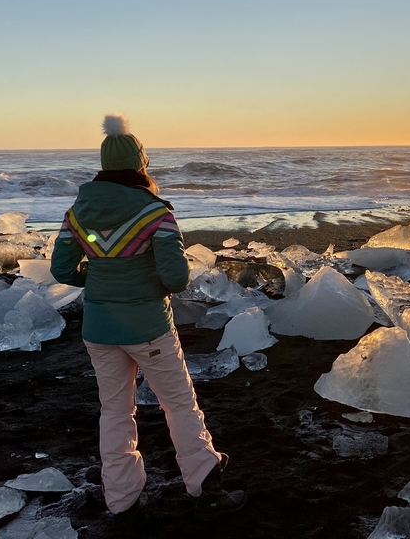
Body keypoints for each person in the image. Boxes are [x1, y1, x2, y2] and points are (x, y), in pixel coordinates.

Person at [51, 114, 246, 523]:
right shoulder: (156, 213)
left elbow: (62, 271)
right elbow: (175, 279)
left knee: (116, 411)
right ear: (142, 164)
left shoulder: (77, 213)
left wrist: (97, 273)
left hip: (100, 330)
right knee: (179, 405)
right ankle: (204, 482)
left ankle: (121, 499)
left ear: (103, 164)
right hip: (149, 327)